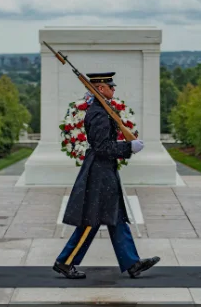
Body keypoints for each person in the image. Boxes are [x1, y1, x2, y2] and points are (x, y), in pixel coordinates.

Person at [53, 71, 160, 279]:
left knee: (115, 217)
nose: (114, 89)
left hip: (104, 170)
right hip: (99, 172)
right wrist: (128, 148)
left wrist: (127, 143)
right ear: (100, 88)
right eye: (111, 86)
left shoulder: (103, 109)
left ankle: (132, 263)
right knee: (92, 220)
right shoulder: (99, 113)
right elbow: (102, 147)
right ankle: (65, 262)